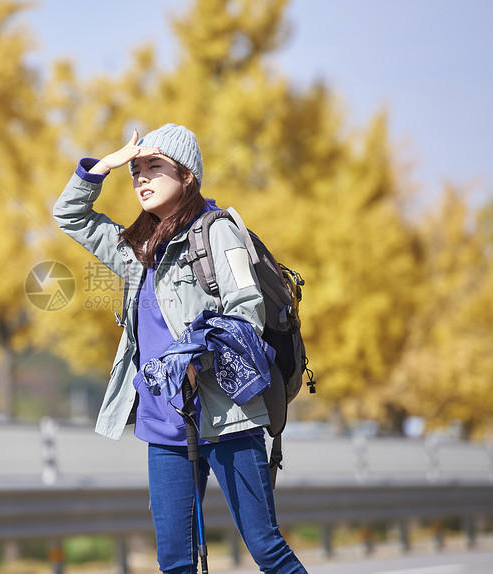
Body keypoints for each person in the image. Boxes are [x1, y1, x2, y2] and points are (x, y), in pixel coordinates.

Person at [53, 123, 307, 574]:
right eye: (135, 172)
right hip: (163, 426)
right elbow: (70, 215)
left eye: (154, 168)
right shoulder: (138, 250)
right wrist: (104, 167)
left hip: (227, 419)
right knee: (175, 562)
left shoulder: (218, 233)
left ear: (187, 175)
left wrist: (196, 356)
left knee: (267, 550)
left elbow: (248, 313)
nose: (141, 180)